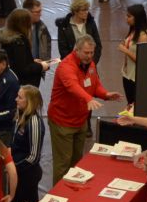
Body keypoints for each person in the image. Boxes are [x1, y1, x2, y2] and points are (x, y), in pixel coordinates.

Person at [48, 35, 118, 183]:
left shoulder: (90, 65)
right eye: (86, 53)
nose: (90, 56)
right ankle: (58, 199)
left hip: (80, 122)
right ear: (77, 50)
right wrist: (88, 99)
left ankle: (73, 195)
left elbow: (95, 84)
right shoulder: (66, 66)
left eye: (92, 52)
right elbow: (73, 87)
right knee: (63, 165)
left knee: (77, 163)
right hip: (63, 123)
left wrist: (105, 94)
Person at [118, 4, 147, 105]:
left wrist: (125, 50)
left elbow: (143, 60)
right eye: (127, 15)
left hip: (136, 77)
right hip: (127, 74)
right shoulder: (133, 30)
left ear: (137, 18)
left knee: (135, 105)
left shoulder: (143, 36)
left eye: (129, 16)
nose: (126, 18)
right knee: (130, 103)